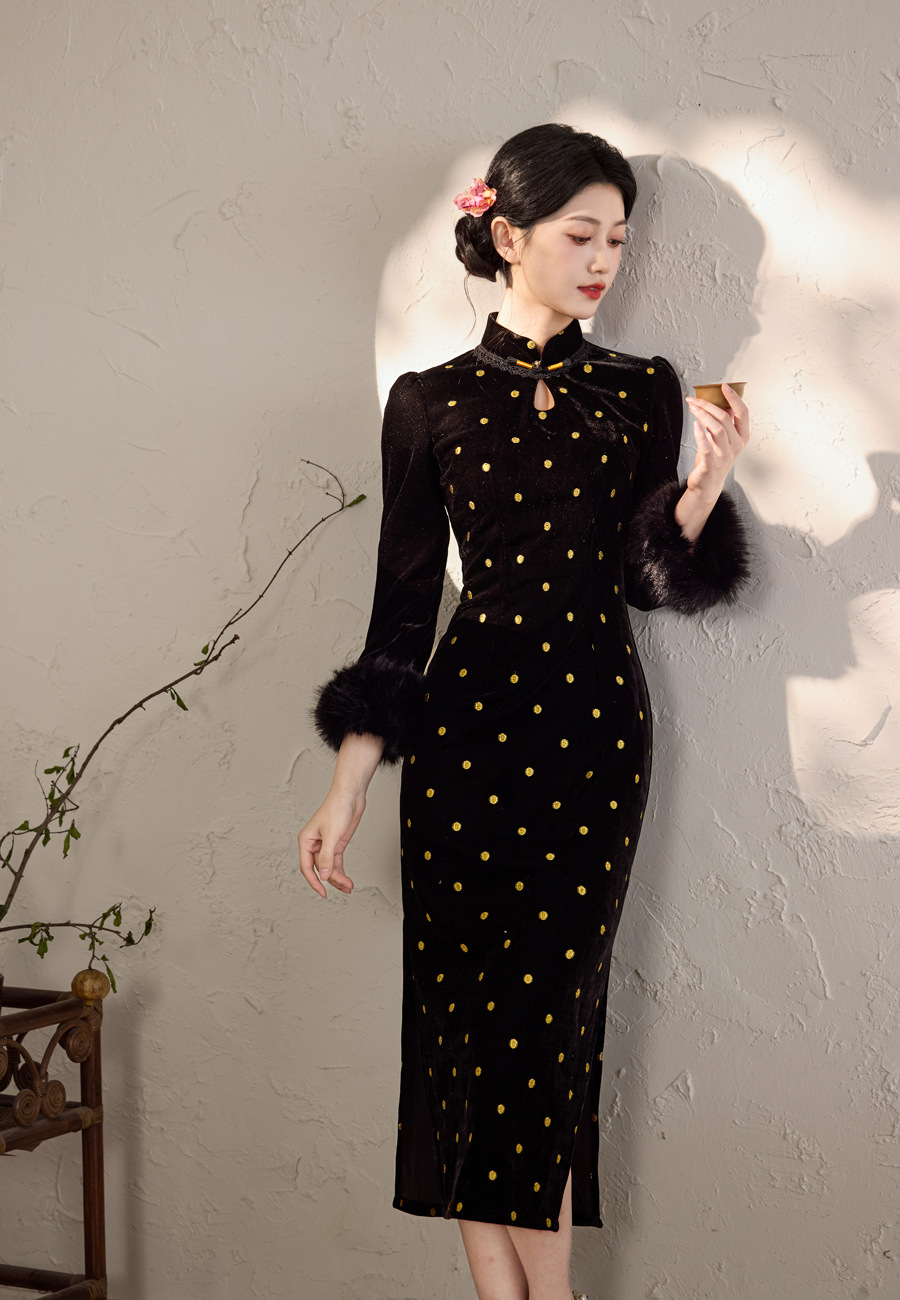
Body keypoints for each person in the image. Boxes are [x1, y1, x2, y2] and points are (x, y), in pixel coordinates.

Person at [298, 122, 751, 1300]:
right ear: (507, 235)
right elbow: (402, 614)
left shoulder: (642, 389)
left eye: (619, 239)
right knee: (464, 1028)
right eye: (581, 234)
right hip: (464, 742)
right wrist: (347, 788)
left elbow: (648, 583)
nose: (604, 259)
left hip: (594, 738)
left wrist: (704, 485)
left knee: (545, 1032)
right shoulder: (429, 401)